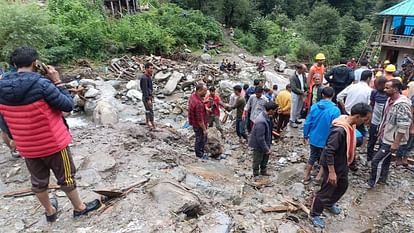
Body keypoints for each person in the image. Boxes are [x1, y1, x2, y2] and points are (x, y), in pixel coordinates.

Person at [0, 47, 101, 222]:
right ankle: (79, 208)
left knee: (38, 181)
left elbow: (3, 118)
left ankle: (50, 212)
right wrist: (58, 81)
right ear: (35, 63)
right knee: (66, 177)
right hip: (53, 142)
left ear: (14, 65)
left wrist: (13, 137)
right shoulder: (42, 84)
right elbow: (67, 105)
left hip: (27, 146)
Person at [310, 103, 372, 228]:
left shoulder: (350, 123)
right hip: (332, 164)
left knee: (343, 185)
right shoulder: (339, 131)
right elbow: (329, 151)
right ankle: (314, 214)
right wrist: (332, 172)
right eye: (365, 120)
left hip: (342, 162)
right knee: (327, 189)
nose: (365, 123)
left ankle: (329, 203)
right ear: (357, 117)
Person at [368, 79, 412, 188]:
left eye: (388, 88)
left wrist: (396, 143)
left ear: (396, 89)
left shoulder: (402, 104)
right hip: (386, 136)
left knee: (376, 161)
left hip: (391, 139)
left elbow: (404, 125)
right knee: (385, 159)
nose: (384, 89)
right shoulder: (389, 100)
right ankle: (382, 179)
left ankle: (372, 183)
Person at [303, 87, 341, 184]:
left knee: (312, 156)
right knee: (325, 159)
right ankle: (318, 177)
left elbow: (307, 122)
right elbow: (335, 127)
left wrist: (305, 135)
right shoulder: (335, 110)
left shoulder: (314, 106)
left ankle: (306, 175)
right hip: (327, 139)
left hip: (314, 137)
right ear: (333, 95)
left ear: (322, 95)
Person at [248, 102, 278, 177]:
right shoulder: (261, 121)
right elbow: (260, 138)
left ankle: (263, 171)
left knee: (265, 158)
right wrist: (266, 149)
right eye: (275, 110)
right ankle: (255, 174)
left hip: (266, 141)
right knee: (257, 159)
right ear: (270, 110)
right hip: (259, 144)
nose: (275, 112)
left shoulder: (268, 116)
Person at [367, 77, 388, 162]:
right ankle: (370, 157)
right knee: (372, 139)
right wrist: (369, 118)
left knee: (382, 140)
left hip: (384, 121)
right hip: (375, 120)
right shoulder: (374, 93)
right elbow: (371, 104)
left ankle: (378, 157)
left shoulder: (388, 94)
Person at [188, 83, 209, 159]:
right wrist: (205, 129)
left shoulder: (193, 96)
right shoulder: (198, 103)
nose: (206, 93)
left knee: (198, 137)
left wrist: (205, 108)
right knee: (200, 139)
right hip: (198, 125)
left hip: (193, 122)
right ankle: (200, 155)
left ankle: (200, 152)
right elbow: (200, 120)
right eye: (205, 91)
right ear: (200, 91)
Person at [289, 64, 308, 128]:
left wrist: (306, 89)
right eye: (303, 69)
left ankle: (296, 118)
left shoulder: (303, 74)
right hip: (295, 94)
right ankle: (292, 121)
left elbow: (304, 82)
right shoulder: (293, 77)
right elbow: (294, 88)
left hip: (302, 93)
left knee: (299, 107)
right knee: (294, 107)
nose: (304, 71)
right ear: (299, 69)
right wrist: (302, 92)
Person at [140, 63, 156, 129]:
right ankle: (153, 126)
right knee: (150, 111)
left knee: (147, 110)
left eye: (152, 68)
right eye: (150, 68)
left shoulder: (148, 76)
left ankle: (147, 123)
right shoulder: (144, 78)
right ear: (146, 69)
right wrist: (148, 99)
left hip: (148, 96)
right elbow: (145, 90)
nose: (152, 70)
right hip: (147, 97)